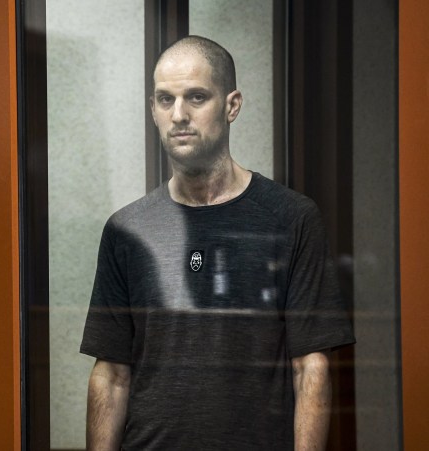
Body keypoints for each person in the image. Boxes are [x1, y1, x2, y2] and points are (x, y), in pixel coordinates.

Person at [80, 36, 355, 450]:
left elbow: (310, 367)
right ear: (153, 110)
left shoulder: (291, 217)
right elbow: (111, 373)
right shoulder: (127, 229)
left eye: (196, 97)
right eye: (165, 99)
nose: (179, 115)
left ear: (232, 105)